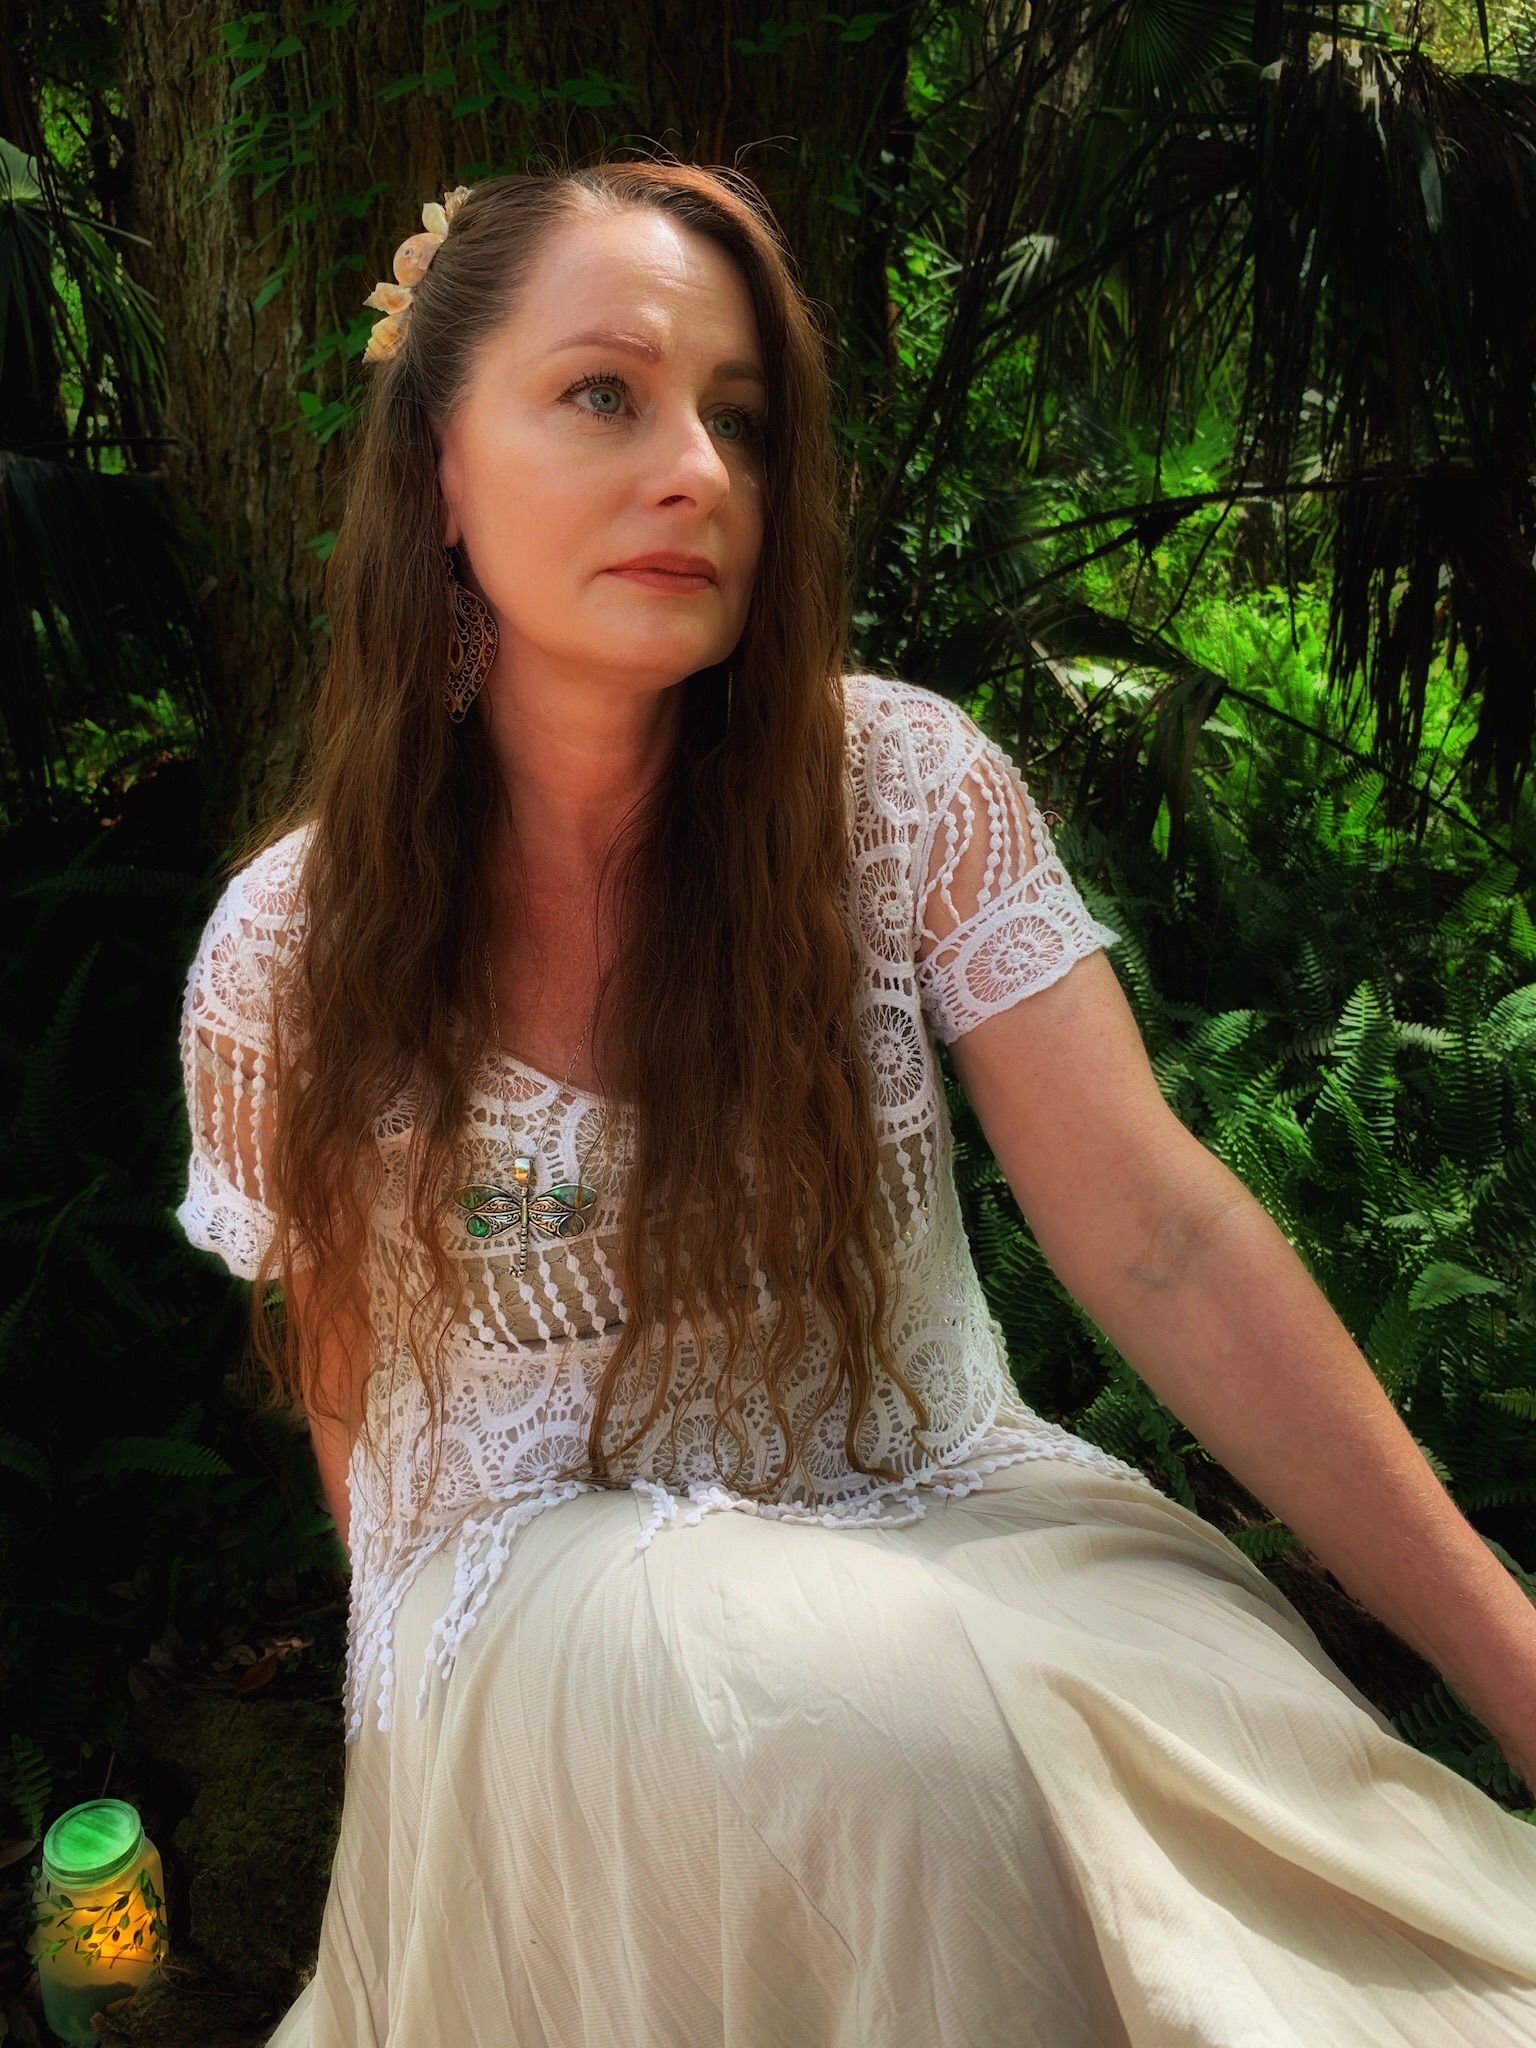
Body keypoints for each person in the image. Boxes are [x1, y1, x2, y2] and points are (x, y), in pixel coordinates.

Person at [176, 161, 1536, 2048]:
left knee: (1252, 1771)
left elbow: (1157, 1232)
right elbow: (352, 1407)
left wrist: (1513, 1654)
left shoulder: (898, 792)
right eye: (605, 394)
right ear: (437, 470)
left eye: (739, 417)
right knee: (888, 1744)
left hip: (956, 1515)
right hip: (539, 1597)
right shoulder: (292, 950)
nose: (698, 471)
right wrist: (455, 1766)